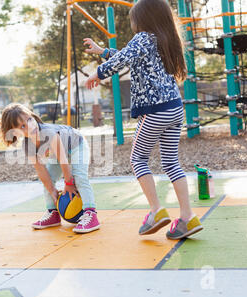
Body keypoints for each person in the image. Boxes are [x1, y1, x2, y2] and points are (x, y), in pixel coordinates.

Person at [83, 0, 203, 240]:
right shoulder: (164, 39)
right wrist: (102, 51)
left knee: (138, 159)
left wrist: (98, 72)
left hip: (155, 111)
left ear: (144, 19)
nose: (133, 24)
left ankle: (156, 211)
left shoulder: (142, 38)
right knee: (171, 163)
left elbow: (122, 60)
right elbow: (129, 57)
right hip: (174, 109)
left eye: (134, 19)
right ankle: (188, 217)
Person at [0, 103, 100, 234]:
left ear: (33, 116)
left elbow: (63, 159)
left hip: (76, 145)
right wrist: (52, 190)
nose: (30, 126)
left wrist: (69, 183)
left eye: (29, 120)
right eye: (23, 126)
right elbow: (41, 170)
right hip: (58, 154)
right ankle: (53, 213)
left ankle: (91, 213)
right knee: (47, 181)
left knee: (79, 177)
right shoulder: (27, 146)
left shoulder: (48, 133)